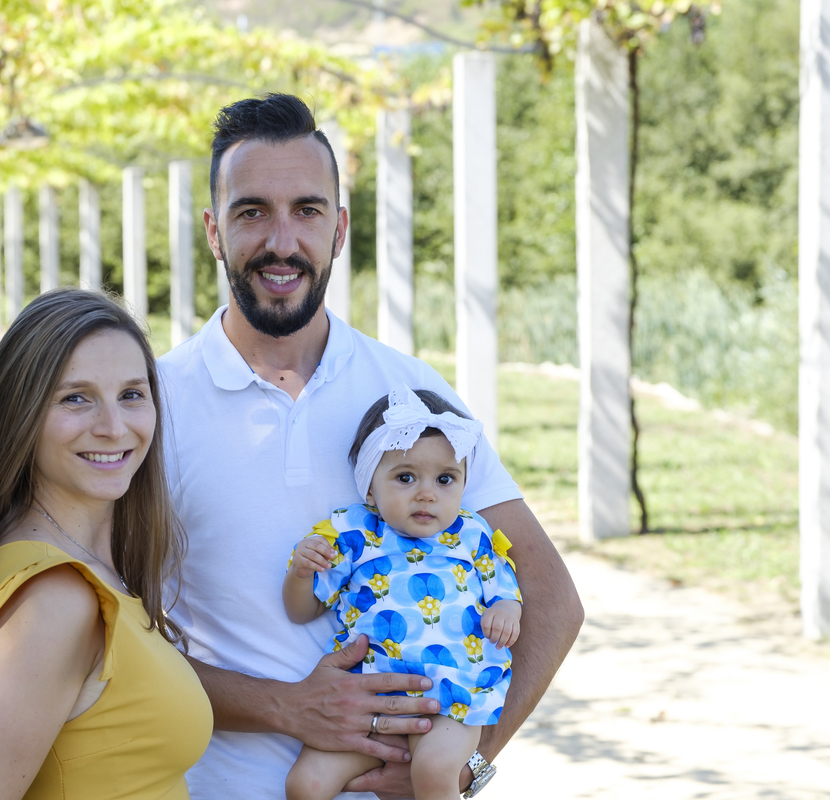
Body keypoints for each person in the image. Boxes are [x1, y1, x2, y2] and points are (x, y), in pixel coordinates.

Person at [159, 93, 584, 800]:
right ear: (212, 230)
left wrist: (460, 765)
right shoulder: (154, 405)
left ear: (341, 228)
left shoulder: (412, 395)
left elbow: (551, 597)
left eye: (308, 210)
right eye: (251, 211)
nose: (282, 240)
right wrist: (283, 706)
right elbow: (111, 639)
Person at [0, 290, 212, 800]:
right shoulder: (56, 600)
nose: (113, 427)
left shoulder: (88, 572)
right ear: (22, 414)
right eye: (75, 398)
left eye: (132, 394)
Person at [282, 385, 522, 800]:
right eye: (406, 477)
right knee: (305, 784)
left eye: (445, 479)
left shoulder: (471, 533)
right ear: (370, 487)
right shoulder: (351, 533)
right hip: (366, 698)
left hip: (451, 695)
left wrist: (506, 609)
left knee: (433, 770)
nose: (427, 492)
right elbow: (301, 610)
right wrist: (302, 573)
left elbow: (505, 588)